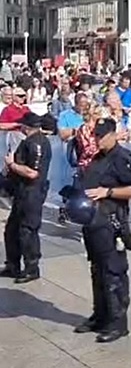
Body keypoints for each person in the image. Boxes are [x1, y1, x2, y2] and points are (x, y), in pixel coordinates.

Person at [71, 118, 131, 343]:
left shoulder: (123, 158)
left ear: (114, 134)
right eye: (96, 135)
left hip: (112, 222)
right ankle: (100, 315)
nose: (98, 139)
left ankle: (117, 322)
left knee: (113, 272)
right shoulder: (97, 158)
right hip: (93, 222)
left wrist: (109, 192)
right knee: (97, 270)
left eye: (102, 135)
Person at [0, 113, 52, 283]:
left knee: (27, 231)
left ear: (27, 126)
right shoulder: (28, 142)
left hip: (32, 193)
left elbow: (32, 172)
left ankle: (31, 268)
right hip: (21, 192)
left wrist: (12, 165)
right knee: (12, 230)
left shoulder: (37, 143)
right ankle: (12, 265)